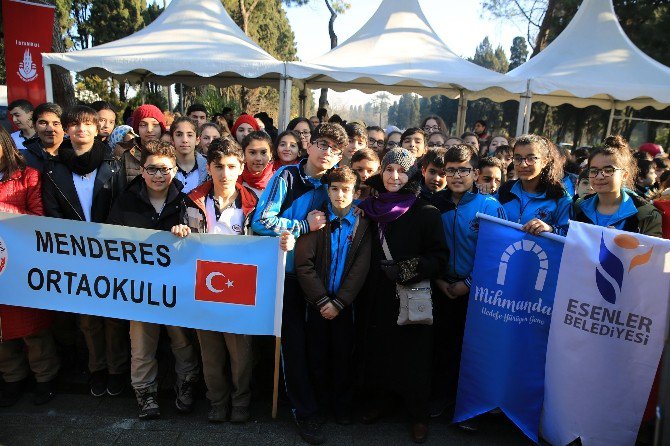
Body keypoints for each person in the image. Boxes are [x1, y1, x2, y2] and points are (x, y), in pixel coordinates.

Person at [171, 138, 294, 424]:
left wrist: (284, 239)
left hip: (240, 289)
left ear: (240, 168)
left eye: (230, 166)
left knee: (241, 354)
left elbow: (268, 234)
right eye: (218, 167)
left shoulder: (254, 202)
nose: (224, 173)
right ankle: (217, 402)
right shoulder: (192, 200)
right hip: (203, 288)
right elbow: (183, 245)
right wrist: (178, 232)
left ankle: (240, 402)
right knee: (210, 353)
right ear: (209, 168)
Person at [251, 123, 348, 445]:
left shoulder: (336, 183)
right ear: (309, 145)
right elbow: (262, 221)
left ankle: (320, 404)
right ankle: (304, 412)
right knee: (292, 347)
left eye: (335, 149)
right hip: (289, 276)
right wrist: (302, 225)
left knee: (317, 347)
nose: (326, 152)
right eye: (322, 144)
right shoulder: (287, 177)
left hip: (323, 280)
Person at [357, 148, 448, 443]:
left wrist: (406, 268)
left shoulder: (426, 212)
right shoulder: (369, 208)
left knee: (415, 355)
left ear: (411, 175)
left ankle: (418, 415)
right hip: (376, 293)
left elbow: (439, 257)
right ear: (381, 172)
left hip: (411, 292)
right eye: (389, 169)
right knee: (379, 348)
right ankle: (381, 403)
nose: (394, 176)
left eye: (401, 170)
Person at [107, 140, 200, 419]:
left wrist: (188, 231)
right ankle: (145, 393)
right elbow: (111, 240)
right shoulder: (125, 200)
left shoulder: (186, 199)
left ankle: (186, 385)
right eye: (152, 169)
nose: (159, 175)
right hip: (140, 286)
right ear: (142, 170)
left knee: (181, 339)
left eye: (165, 169)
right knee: (142, 342)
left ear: (174, 170)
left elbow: (199, 241)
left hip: (176, 285)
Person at [41, 105, 127, 398]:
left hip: (110, 252)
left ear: (96, 128)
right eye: (75, 124)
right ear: (67, 130)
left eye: (88, 124)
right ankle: (97, 368)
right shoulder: (54, 170)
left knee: (114, 318)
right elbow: (52, 214)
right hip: (76, 255)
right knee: (88, 320)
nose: (82, 129)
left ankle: (117, 370)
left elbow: (122, 208)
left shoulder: (114, 164)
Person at [428, 145, 505, 427]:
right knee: (442, 347)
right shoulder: (435, 204)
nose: (457, 176)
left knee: (472, 350)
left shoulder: (489, 206)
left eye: (463, 170)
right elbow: (428, 248)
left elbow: (497, 255)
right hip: (441, 287)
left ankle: (470, 407)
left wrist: (468, 284)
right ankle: (441, 398)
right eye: (451, 170)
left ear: (474, 172)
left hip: (476, 292)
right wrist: (439, 280)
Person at [294, 166, 371, 428]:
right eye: (335, 189)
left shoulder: (362, 223)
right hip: (317, 304)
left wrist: (339, 302)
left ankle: (343, 407)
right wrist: (321, 301)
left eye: (346, 190)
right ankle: (319, 406)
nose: (340, 195)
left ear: (356, 193)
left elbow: (360, 268)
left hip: (344, 306)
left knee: (343, 357)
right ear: (327, 191)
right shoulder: (316, 220)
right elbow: (304, 264)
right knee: (316, 356)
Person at [0, 127, 60, 407]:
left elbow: (39, 218)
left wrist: (7, 213)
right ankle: (12, 379)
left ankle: (44, 378)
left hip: (20, 264)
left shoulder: (27, 177)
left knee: (30, 328)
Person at [574, 135, 661, 237]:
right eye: (593, 171)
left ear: (624, 175)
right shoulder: (578, 207)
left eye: (608, 170)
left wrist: (621, 244)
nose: (599, 176)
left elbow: (653, 250)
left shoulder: (646, 214)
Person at [497, 134, 572, 235]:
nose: (523, 164)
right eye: (518, 158)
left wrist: (550, 229)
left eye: (531, 158)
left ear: (545, 161)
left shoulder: (560, 197)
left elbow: (569, 236)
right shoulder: (505, 190)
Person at [118, 104, 167, 187]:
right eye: (143, 125)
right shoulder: (124, 152)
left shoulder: (170, 151)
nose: (149, 130)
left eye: (155, 125)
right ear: (137, 128)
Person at [21, 102, 64, 172]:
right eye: (43, 123)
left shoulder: (78, 156)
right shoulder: (23, 159)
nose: (50, 129)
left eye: (56, 124)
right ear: (34, 126)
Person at [171, 116, 207, 194]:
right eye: (179, 135)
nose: (184, 140)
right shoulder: (164, 168)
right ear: (172, 140)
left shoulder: (209, 168)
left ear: (197, 140)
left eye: (190, 135)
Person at [238, 131, 274, 197]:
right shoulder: (234, 180)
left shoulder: (278, 181)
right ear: (244, 155)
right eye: (252, 152)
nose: (258, 158)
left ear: (271, 155)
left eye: (263, 153)